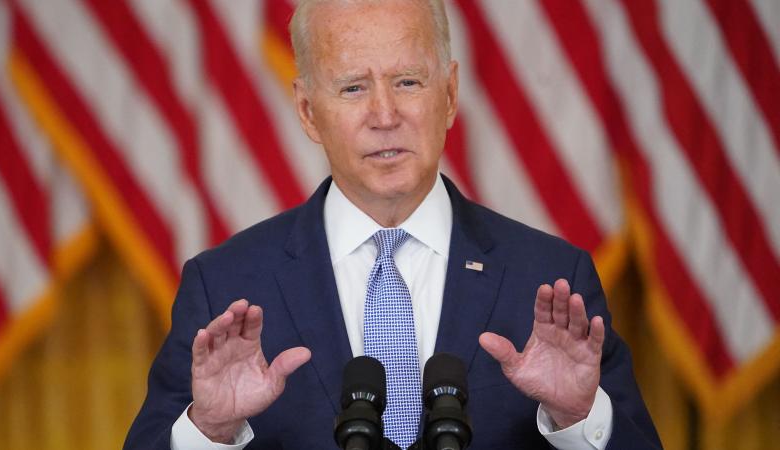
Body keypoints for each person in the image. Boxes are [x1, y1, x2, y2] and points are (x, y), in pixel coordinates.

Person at [125, 0, 661, 448]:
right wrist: (209, 431)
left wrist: (578, 418)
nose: (385, 115)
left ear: (449, 95)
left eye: (407, 81)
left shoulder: (550, 281)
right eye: (353, 88)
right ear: (308, 111)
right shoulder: (226, 286)